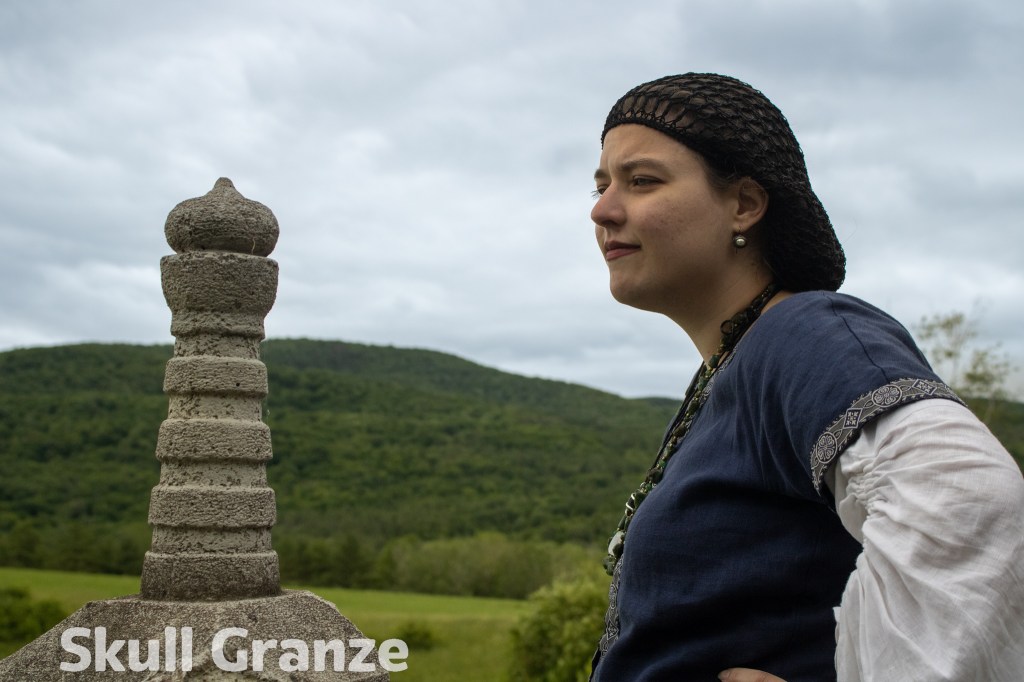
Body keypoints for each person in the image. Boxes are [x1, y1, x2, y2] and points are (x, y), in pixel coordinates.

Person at [587, 73, 1024, 681]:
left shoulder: (806, 331)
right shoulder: (729, 372)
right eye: (601, 185)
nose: (603, 210)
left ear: (744, 204)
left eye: (642, 181)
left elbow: (968, 498)